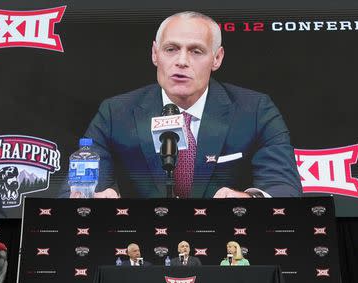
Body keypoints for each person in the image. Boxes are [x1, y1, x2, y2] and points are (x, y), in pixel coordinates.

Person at [75, 11, 301, 199]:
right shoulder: (116, 113)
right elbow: (78, 186)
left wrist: (249, 199)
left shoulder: (256, 111)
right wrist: (90, 196)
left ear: (217, 58)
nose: (181, 61)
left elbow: (283, 188)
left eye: (196, 51)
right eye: (171, 49)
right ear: (155, 54)